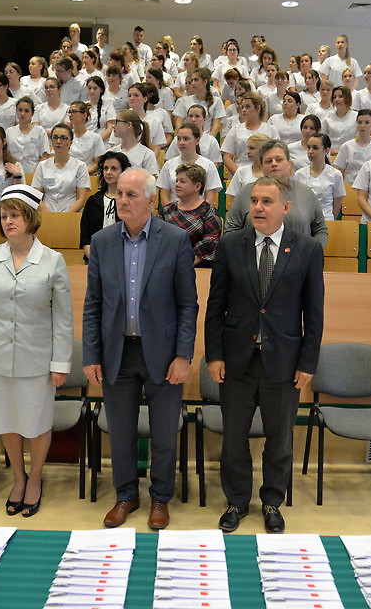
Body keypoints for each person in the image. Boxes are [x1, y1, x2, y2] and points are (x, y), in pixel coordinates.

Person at [205, 176, 325, 534]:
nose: (257, 207)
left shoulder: (306, 248)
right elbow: (215, 306)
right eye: (254, 201)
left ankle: (273, 502)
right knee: (234, 439)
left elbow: (314, 313)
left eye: (266, 202)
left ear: (285, 208)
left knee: (280, 440)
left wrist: (308, 362)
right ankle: (237, 502)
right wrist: (214, 355)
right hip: (237, 361)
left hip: (284, 362)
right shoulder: (230, 244)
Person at [82, 168, 198, 531]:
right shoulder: (102, 241)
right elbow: (93, 304)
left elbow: (187, 304)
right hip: (117, 352)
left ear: (151, 201)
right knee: (120, 432)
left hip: (163, 354)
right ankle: (125, 495)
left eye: (131, 195)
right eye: (119, 193)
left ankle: (160, 498)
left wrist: (183, 355)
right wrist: (91, 355)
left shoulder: (175, 240)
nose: (123, 200)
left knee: (163, 433)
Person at [0, 184, 73, 517]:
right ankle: (18, 477)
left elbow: (63, 317)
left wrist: (60, 362)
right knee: (6, 421)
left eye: (15, 215)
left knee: (36, 422)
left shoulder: (53, 260)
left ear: (30, 218)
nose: (8, 221)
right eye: (4, 216)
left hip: (37, 359)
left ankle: (36, 478)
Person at [225, 139, 328, 247]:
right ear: (262, 166)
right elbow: (231, 229)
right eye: (268, 161)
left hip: (299, 255)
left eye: (279, 160)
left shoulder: (306, 193)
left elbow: (320, 230)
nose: (274, 164)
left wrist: (313, 252)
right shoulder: (246, 193)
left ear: (289, 164)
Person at [159, 162, 222, 267]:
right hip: (166, 264)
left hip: (198, 267)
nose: (177, 184)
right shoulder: (166, 210)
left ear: (197, 186)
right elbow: (157, 238)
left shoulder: (209, 212)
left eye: (182, 181)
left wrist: (184, 265)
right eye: (177, 180)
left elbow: (209, 243)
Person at [157, 122, 222, 206]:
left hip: (200, 211)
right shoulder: (169, 165)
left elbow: (210, 197)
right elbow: (164, 195)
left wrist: (202, 212)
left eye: (186, 139)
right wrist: (171, 212)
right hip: (174, 210)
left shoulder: (208, 165)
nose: (181, 142)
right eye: (179, 139)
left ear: (197, 141)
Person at [80, 151, 130, 260]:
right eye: (105, 168)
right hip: (95, 257)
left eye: (114, 169)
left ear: (123, 172)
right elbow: (85, 238)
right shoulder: (93, 201)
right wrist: (95, 260)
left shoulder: (129, 202)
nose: (108, 172)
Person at [33, 123, 90, 213]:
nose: (58, 141)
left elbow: (81, 199)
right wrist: (49, 215)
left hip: (71, 214)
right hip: (46, 214)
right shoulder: (42, 166)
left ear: (71, 142)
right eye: (55, 137)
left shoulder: (80, 166)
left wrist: (64, 217)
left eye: (63, 138)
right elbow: (36, 196)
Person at [222, 92, 280, 175]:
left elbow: (276, 153)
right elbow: (227, 157)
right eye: (242, 107)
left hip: (265, 174)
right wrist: (240, 174)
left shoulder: (271, 130)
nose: (243, 110)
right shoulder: (235, 130)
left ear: (258, 108)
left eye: (248, 107)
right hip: (239, 171)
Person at [294, 133, 345, 221]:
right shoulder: (299, 174)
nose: (310, 151)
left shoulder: (335, 174)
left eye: (315, 148)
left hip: (326, 220)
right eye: (308, 147)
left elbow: (337, 203)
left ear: (326, 151)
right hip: (304, 221)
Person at [5, 96, 50, 175]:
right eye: (20, 110)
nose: (23, 114)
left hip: (34, 171)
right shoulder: (9, 131)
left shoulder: (39, 131)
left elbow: (44, 156)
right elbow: (6, 154)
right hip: (13, 172)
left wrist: (36, 174)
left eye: (26, 111)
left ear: (32, 113)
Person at [334, 108, 371, 184]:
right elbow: (339, 172)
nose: (362, 126)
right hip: (351, 186)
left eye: (367, 122)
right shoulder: (346, 146)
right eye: (360, 122)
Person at [111, 109, 159, 175]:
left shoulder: (147, 154)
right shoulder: (112, 152)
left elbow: (152, 178)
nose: (113, 126)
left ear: (129, 125)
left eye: (117, 122)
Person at [66, 100, 106, 173]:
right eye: (69, 112)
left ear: (84, 115)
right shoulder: (65, 136)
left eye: (74, 112)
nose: (70, 115)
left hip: (87, 174)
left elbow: (97, 164)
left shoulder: (95, 138)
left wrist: (81, 173)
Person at [226, 133, 269, 200]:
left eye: (252, 148)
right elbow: (233, 196)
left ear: (263, 150)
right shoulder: (241, 171)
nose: (247, 151)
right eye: (248, 148)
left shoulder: (273, 171)